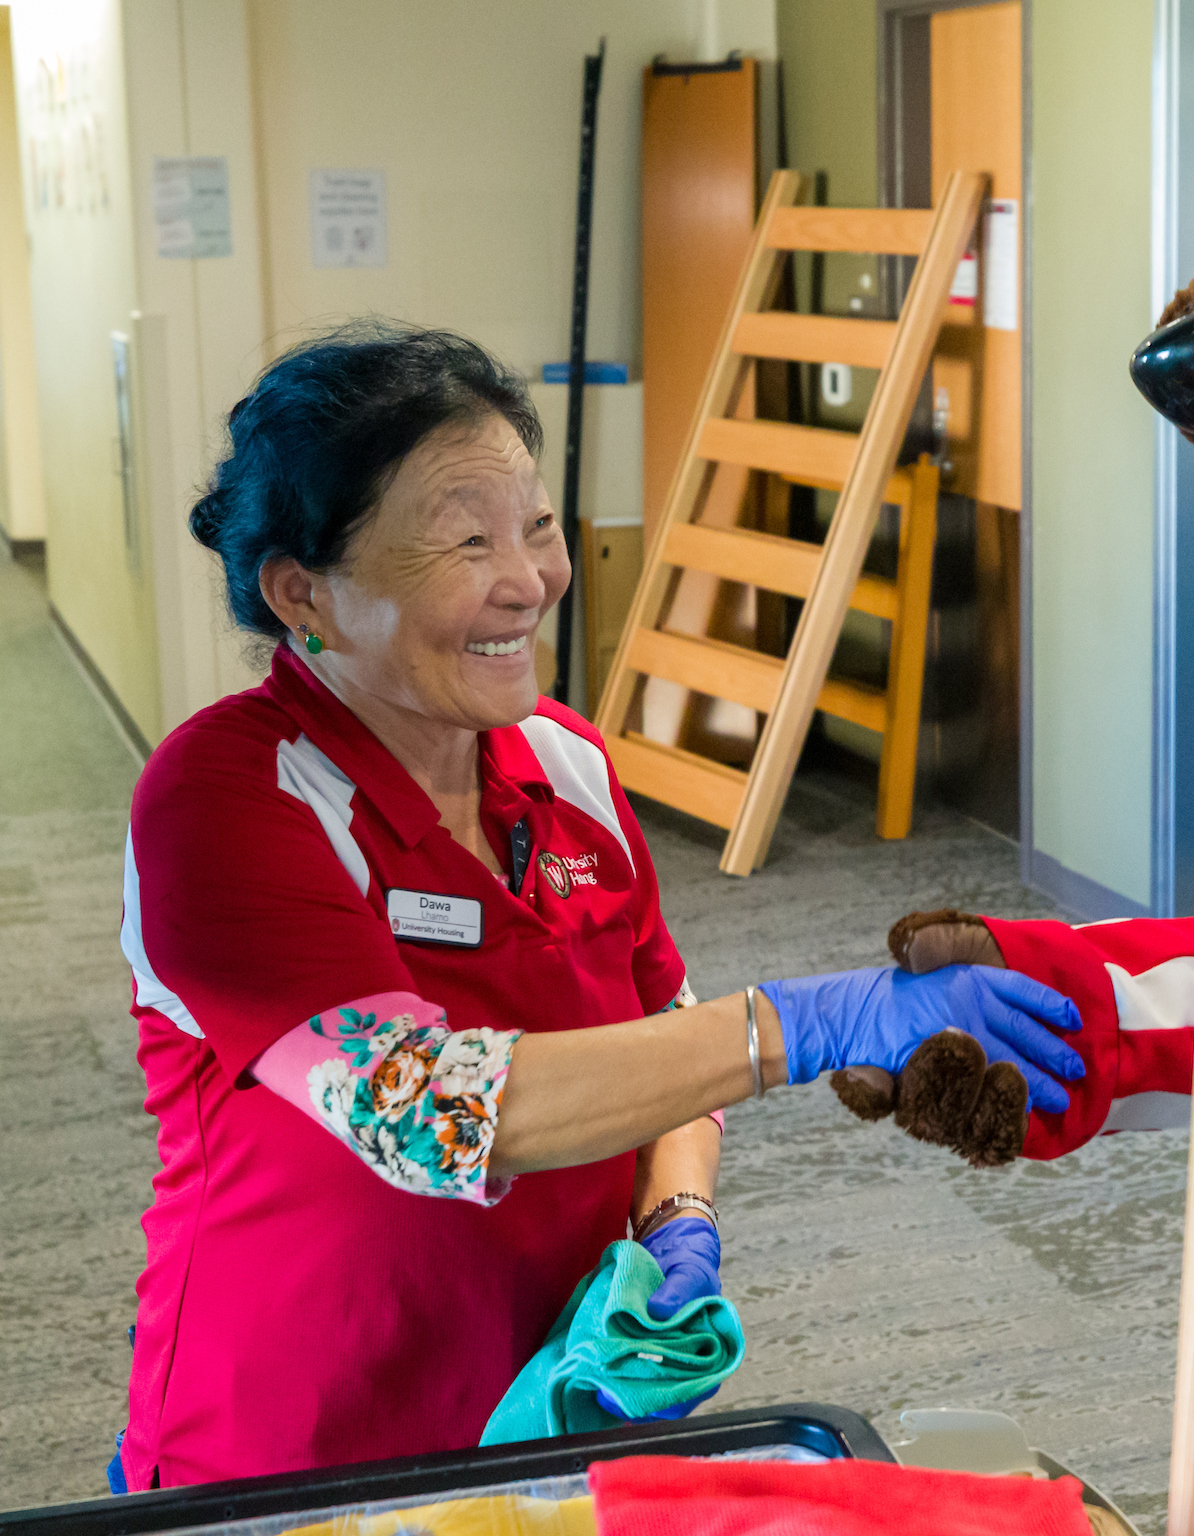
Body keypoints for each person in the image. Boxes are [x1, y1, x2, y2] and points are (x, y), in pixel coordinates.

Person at [114, 326, 1087, 1489]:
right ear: (303, 591)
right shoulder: (224, 802)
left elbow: (660, 1023)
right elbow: (425, 1110)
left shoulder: (562, 764)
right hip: (294, 1444)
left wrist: (678, 1213)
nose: (531, 580)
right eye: (465, 542)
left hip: (553, 1410)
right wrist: (795, 1023)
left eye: (535, 525)